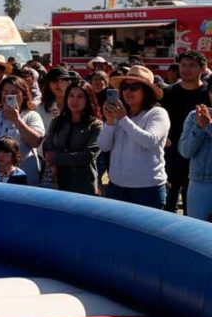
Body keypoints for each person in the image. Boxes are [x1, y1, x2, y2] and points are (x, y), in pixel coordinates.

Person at [99, 66, 170, 209]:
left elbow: (149, 141)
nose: (127, 91)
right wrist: (110, 122)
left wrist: (123, 119)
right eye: (124, 87)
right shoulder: (119, 114)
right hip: (116, 187)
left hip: (147, 189)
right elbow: (104, 146)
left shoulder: (157, 113)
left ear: (146, 91)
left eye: (134, 87)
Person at [162, 51, 208, 213]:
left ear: (203, 68)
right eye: (183, 65)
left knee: (193, 209)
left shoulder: (208, 94)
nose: (186, 69)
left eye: (192, 65)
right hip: (171, 155)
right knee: (168, 204)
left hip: (199, 159)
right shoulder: (168, 92)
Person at [43, 82, 102, 195]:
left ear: (88, 99)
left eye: (80, 96)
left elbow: (88, 155)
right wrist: (52, 157)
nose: (74, 101)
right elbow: (47, 147)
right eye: (71, 95)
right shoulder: (57, 122)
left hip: (83, 185)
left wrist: (56, 157)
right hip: (57, 183)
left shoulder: (95, 125)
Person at [178, 87, 212, 222]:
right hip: (198, 183)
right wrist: (198, 127)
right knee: (198, 231)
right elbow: (185, 151)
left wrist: (208, 126)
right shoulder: (194, 115)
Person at [38, 66, 72, 132]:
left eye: (63, 80)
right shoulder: (40, 109)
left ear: (69, 83)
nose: (59, 84)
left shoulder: (77, 106)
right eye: (54, 81)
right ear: (49, 85)